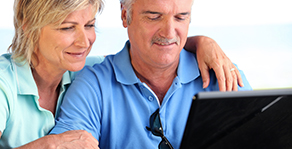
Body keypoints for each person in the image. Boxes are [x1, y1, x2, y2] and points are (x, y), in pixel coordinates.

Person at [0, 0, 244, 148]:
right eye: (66, 27)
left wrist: (201, 42)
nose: (84, 41)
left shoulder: (83, 69)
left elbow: (158, 47)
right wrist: (51, 144)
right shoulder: (5, 82)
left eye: (89, 25)